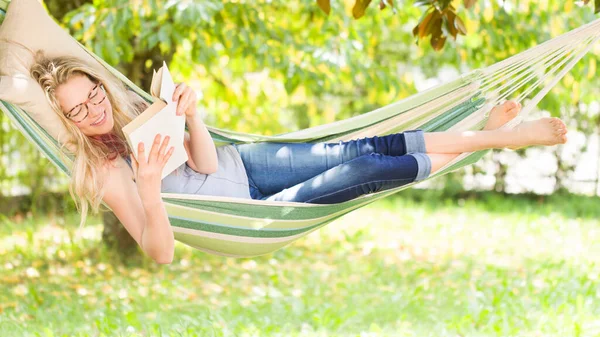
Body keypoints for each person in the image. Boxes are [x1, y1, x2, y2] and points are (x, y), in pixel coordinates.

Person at [30, 54, 568, 264]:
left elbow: (209, 165)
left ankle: (482, 131)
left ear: (101, 84)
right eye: (78, 110)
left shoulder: (134, 112)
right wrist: (149, 186)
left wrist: (191, 115)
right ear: (69, 122)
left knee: (361, 147)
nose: (94, 110)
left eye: (93, 94)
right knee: (366, 171)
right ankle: (503, 139)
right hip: (244, 218)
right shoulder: (106, 173)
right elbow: (160, 254)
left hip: (245, 166)